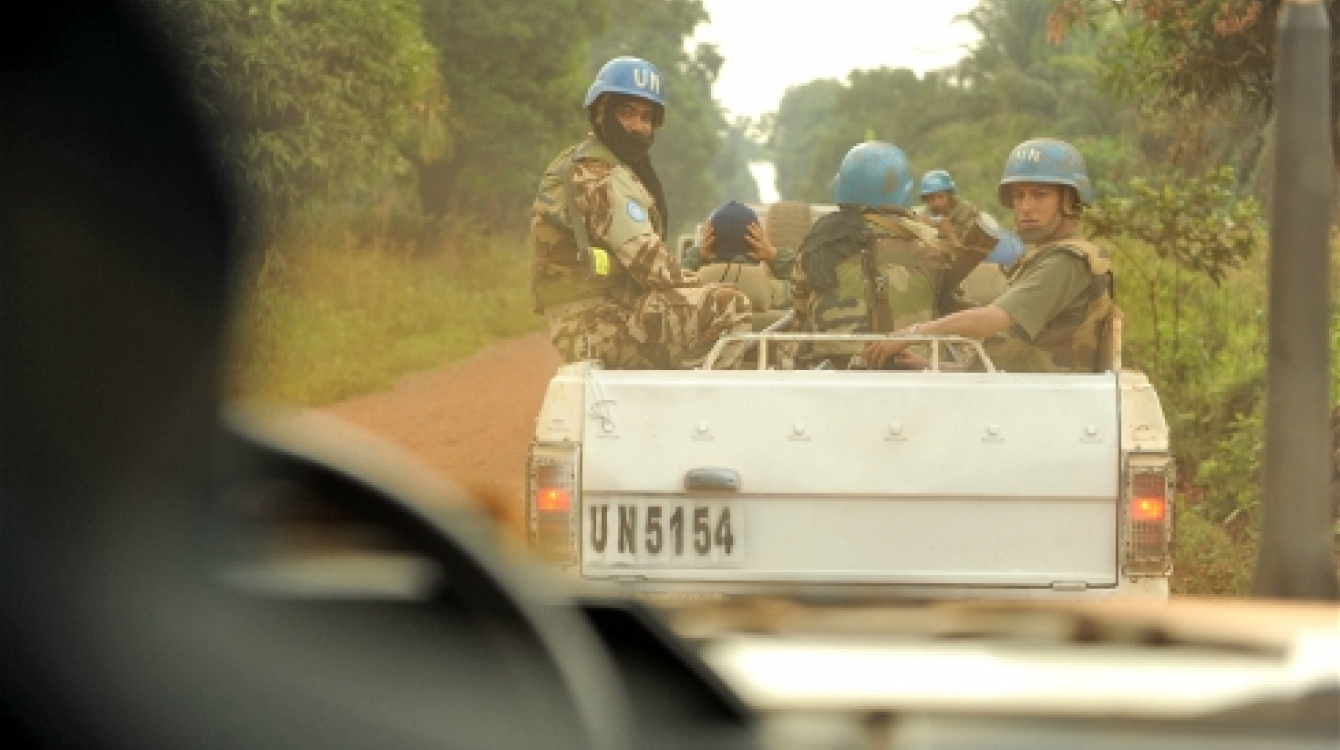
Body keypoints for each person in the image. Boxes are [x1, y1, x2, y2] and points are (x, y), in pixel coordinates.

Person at [529, 56, 752, 369]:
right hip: (592, 326)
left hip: (608, 314)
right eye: (627, 113)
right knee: (731, 305)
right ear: (599, 111)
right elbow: (651, 266)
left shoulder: (605, 166)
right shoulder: (596, 175)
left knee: (712, 305)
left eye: (647, 117)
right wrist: (707, 285)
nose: (638, 126)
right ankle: (707, 406)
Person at [864, 138, 1115, 373]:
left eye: (1040, 195)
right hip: (1026, 395)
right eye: (1018, 196)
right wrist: (927, 365)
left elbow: (985, 321)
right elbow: (1011, 361)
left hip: (1042, 405)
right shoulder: (1047, 256)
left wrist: (911, 334)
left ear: (1070, 200)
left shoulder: (1066, 261)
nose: (1025, 208)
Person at [789, 142, 989, 366]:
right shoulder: (933, 248)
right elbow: (953, 317)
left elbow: (801, 317)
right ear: (904, 193)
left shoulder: (816, 244)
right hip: (913, 376)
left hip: (831, 381)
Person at [693, 201, 791, 327]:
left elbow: (672, 283)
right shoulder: (775, 292)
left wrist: (697, 257)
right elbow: (808, 284)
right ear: (757, 245)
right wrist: (774, 255)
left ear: (709, 245)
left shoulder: (691, 290)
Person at [915, 169, 982, 247]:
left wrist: (950, 234)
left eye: (941, 197)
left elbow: (970, 254)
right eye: (932, 199)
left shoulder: (967, 213)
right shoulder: (923, 216)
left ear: (949, 195)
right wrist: (923, 230)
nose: (937, 203)